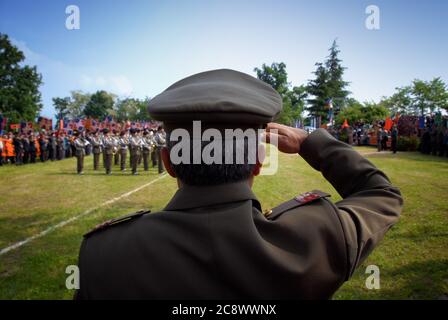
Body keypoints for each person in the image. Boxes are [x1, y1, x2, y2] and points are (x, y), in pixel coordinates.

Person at [75, 69, 403, 300]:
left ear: (168, 162)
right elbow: (381, 195)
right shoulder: (318, 237)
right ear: (258, 162)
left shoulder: (104, 256)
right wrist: (310, 143)